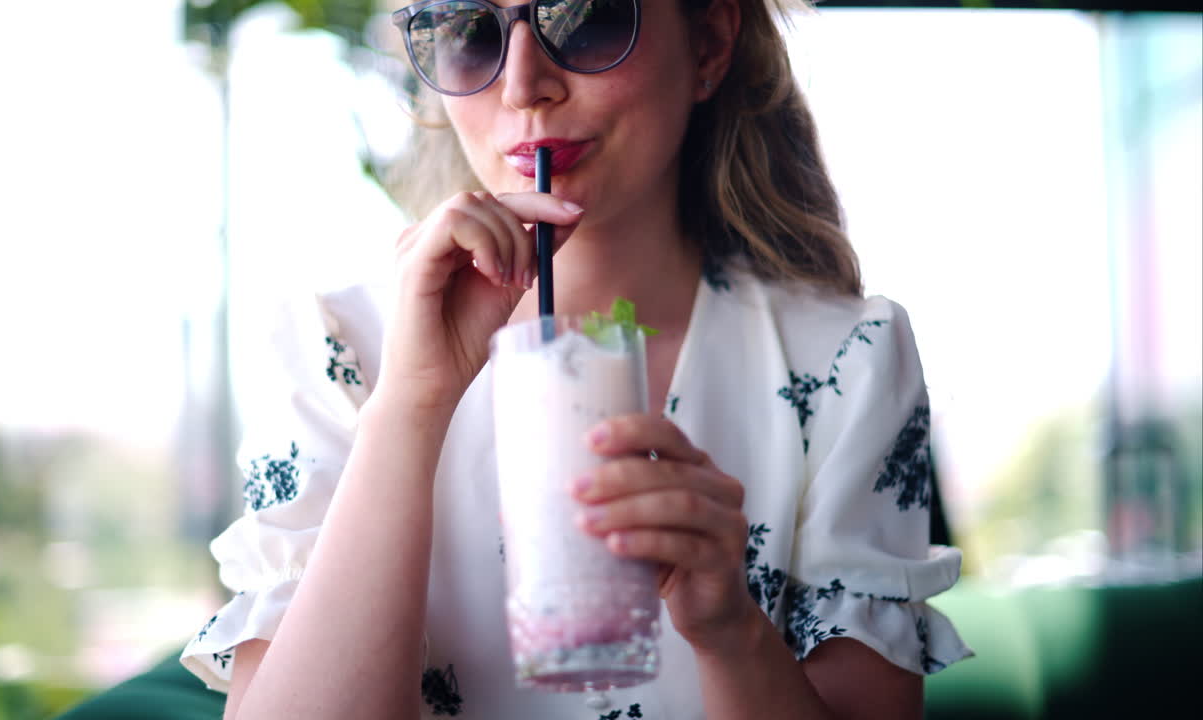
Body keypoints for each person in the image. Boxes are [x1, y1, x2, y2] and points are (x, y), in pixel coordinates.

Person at [181, 0, 972, 716]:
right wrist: (412, 404)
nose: (524, 85)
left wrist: (733, 633)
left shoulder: (847, 361)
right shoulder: (341, 350)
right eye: (465, 30)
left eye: (584, 16)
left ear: (708, 43)